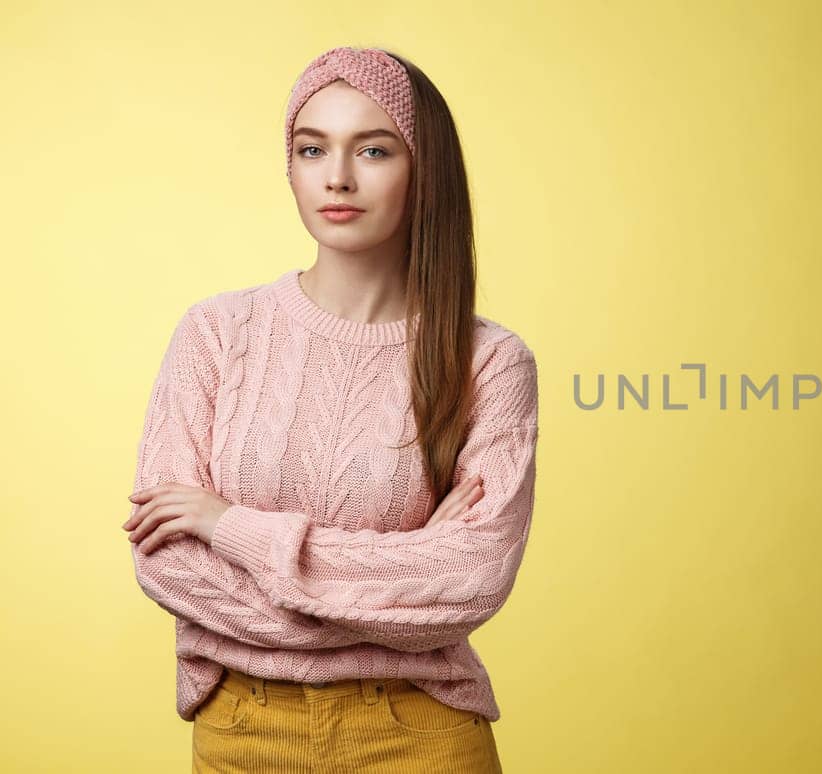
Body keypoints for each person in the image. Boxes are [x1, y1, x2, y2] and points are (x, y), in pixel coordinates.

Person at [119, 45, 537, 772]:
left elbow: (469, 579)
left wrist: (232, 527)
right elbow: (166, 563)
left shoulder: (489, 363)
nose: (337, 176)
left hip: (419, 732)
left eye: (373, 149)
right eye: (312, 149)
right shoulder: (218, 333)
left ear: (423, 168)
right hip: (243, 732)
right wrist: (396, 587)